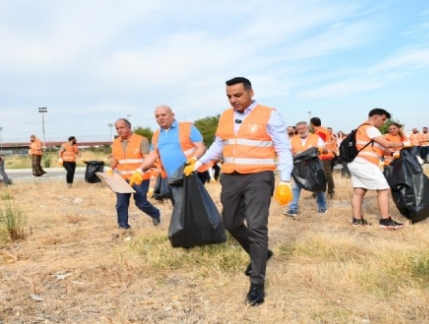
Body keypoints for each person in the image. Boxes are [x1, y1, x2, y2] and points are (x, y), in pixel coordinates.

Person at [184, 77, 293, 306]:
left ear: (250, 93)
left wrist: (284, 180)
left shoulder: (269, 114)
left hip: (258, 177)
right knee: (231, 223)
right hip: (230, 177)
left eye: (237, 95)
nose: (233, 100)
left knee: (256, 226)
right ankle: (261, 254)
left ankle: (256, 282)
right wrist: (199, 163)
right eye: (229, 96)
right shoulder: (225, 116)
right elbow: (219, 145)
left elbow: (283, 147)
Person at [131, 105, 208, 206]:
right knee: (178, 205)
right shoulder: (157, 134)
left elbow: (201, 147)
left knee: (191, 206)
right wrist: (140, 170)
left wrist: (194, 159)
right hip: (171, 177)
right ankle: (183, 222)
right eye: (157, 116)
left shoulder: (187, 127)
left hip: (191, 174)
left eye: (163, 115)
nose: (160, 118)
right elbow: (152, 155)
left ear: (172, 115)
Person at [347, 108, 406, 229]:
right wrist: (404, 144)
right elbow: (387, 144)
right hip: (366, 163)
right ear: (375, 118)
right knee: (384, 190)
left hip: (356, 163)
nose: (384, 123)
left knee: (359, 191)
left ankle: (357, 220)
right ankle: (385, 221)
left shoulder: (359, 130)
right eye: (383, 119)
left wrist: (393, 153)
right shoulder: (370, 129)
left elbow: (380, 148)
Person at [110, 118, 161, 229]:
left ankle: (155, 213)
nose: (119, 130)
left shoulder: (141, 140)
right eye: (117, 128)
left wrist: (142, 172)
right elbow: (115, 158)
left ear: (129, 127)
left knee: (141, 203)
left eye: (122, 127)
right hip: (122, 179)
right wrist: (110, 169)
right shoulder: (116, 142)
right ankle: (123, 227)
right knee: (121, 204)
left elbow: (148, 159)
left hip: (140, 178)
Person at [285, 121, 327, 216]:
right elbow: (287, 150)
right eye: (299, 129)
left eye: (303, 128)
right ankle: (293, 209)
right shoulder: (293, 140)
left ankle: (322, 207)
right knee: (296, 187)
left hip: (314, 167)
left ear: (307, 128)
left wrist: (320, 149)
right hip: (299, 167)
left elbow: (325, 150)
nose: (301, 131)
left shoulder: (315, 137)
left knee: (318, 186)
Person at [310, 117, 335, 197]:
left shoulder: (320, 132)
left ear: (312, 124)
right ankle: (317, 193)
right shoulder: (323, 131)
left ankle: (330, 192)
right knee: (320, 175)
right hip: (325, 155)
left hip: (324, 156)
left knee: (327, 175)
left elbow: (317, 145)